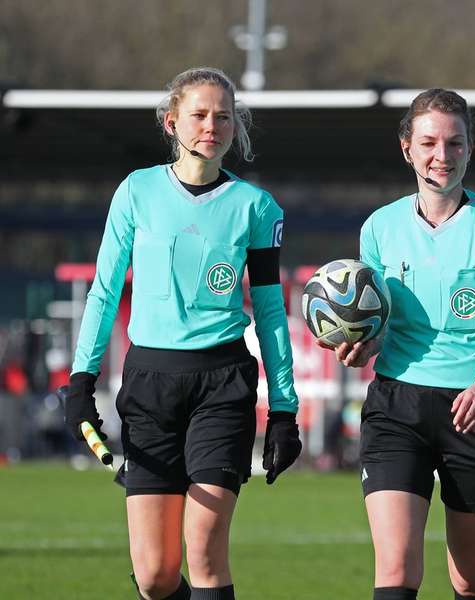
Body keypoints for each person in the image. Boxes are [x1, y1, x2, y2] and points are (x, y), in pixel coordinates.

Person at [63, 67, 302, 600]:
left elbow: (269, 312)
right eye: (198, 114)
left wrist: (284, 409)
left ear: (235, 126)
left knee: (204, 546)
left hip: (223, 386)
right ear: (172, 122)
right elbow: (103, 292)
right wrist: (82, 378)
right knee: (154, 576)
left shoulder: (257, 208)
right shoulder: (136, 191)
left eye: (223, 116)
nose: (211, 126)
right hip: (148, 383)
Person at [332, 88, 475, 600]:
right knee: (397, 570)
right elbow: (379, 324)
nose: (441, 156)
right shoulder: (379, 227)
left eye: (454, 144)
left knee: (470, 579)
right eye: (428, 143)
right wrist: (361, 345)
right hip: (396, 407)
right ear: (407, 148)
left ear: (470, 148)